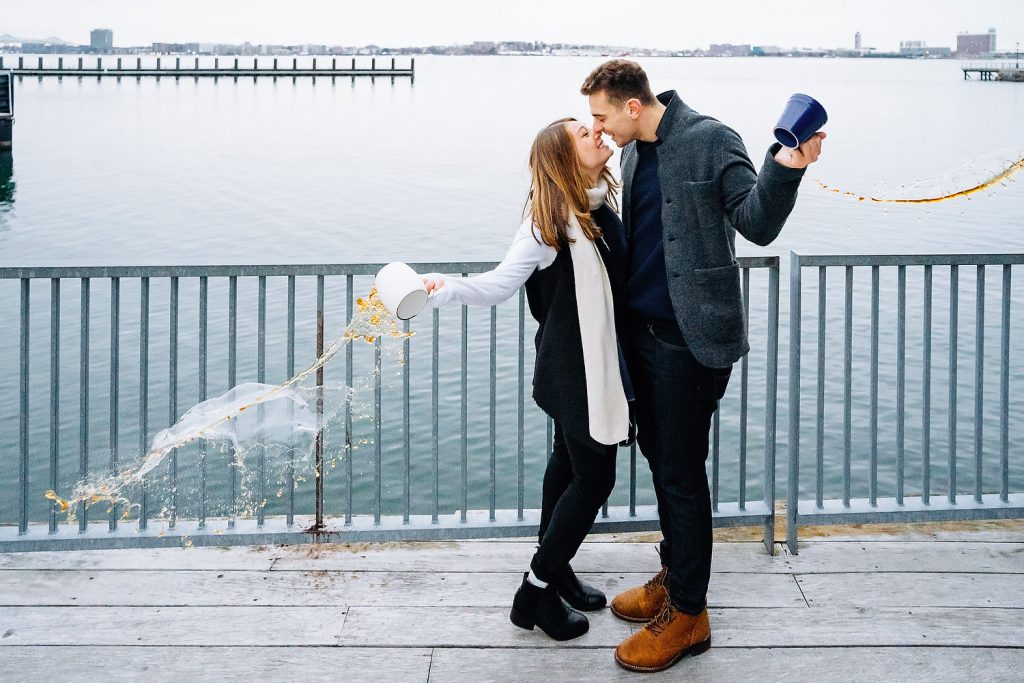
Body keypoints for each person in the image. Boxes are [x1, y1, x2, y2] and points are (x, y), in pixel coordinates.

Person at [579, 59, 825, 672]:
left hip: (690, 344)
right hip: (640, 337)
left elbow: (757, 222)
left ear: (632, 106)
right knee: (665, 468)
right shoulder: (636, 154)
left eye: (603, 116)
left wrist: (787, 163)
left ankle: (689, 615)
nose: (599, 129)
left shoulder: (710, 138)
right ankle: (675, 575)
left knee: (682, 476)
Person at [421, 117, 632, 641]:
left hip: (592, 361)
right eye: (585, 134)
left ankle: (555, 567)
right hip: (574, 370)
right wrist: (442, 287)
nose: (597, 135)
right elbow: (496, 287)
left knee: (568, 461)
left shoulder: (601, 199)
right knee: (595, 478)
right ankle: (534, 592)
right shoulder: (547, 225)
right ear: (564, 159)